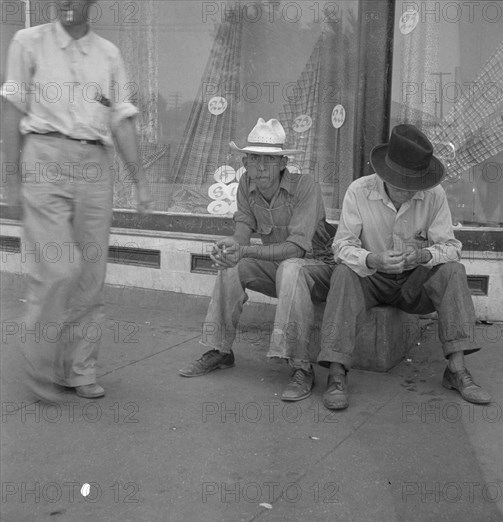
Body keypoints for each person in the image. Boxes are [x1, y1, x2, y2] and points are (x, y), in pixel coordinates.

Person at [1, 0, 152, 401]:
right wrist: (12, 179)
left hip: (95, 165)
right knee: (58, 268)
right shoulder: (27, 42)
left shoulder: (108, 54)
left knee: (89, 274)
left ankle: (78, 369)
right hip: (43, 158)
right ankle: (41, 363)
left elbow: (121, 118)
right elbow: (12, 107)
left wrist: (139, 181)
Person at [317, 124, 491, 409]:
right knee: (344, 272)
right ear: (385, 174)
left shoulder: (434, 195)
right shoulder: (358, 191)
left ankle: (457, 370)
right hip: (371, 278)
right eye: (401, 186)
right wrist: (371, 259)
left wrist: (423, 256)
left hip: (413, 284)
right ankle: (336, 373)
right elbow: (341, 247)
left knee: (452, 271)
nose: (408, 193)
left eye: (414, 187)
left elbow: (451, 248)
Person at [179, 118, 336, 403]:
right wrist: (229, 247)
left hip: (319, 271)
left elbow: (296, 250)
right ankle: (220, 350)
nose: (260, 167)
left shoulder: (305, 186)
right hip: (280, 270)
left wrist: (245, 251)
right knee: (230, 266)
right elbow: (241, 234)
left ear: (282, 163)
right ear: (245, 161)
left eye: (268, 160)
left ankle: (301, 366)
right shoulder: (246, 184)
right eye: (254, 159)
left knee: (290, 268)